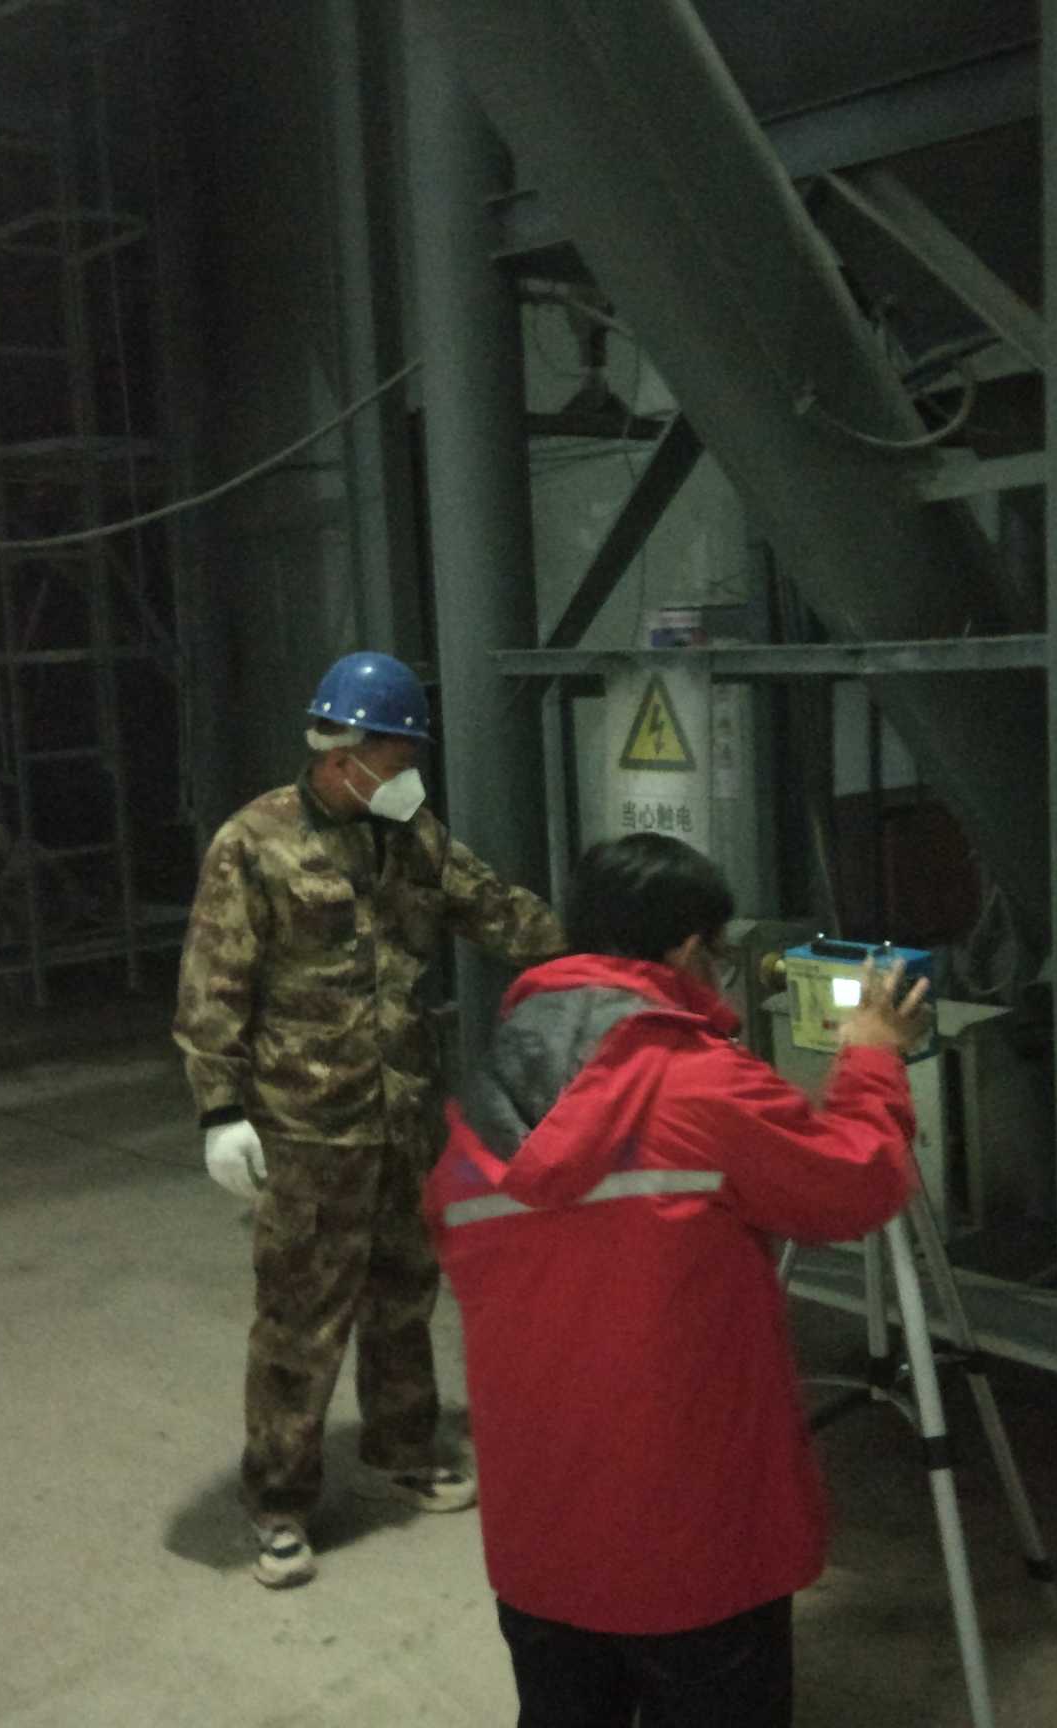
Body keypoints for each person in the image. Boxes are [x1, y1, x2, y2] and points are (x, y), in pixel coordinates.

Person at [426, 833, 932, 1727]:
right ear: (690, 950)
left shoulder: (481, 1102)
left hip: (541, 1539)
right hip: (694, 1544)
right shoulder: (701, 1087)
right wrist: (873, 1057)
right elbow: (858, 1181)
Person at [174, 649, 566, 1589]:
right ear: (341, 751)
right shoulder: (253, 843)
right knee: (301, 1320)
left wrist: (599, 949)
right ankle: (278, 1501)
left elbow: (492, 908)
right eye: (397, 757)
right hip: (308, 1126)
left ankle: (402, 1447)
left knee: (404, 1295)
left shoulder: (410, 833)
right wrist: (219, 1109)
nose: (408, 775)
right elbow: (212, 984)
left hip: (402, 1114)